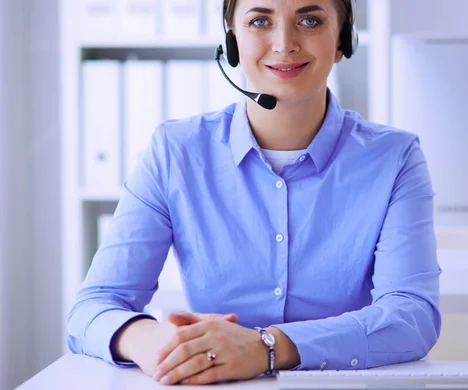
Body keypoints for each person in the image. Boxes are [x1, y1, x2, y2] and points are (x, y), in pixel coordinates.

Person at [67, 0, 442, 386]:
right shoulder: (176, 151)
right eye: (260, 21)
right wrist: (158, 342)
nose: (284, 43)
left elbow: (411, 316)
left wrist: (268, 347)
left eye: (310, 20)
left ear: (343, 40)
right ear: (232, 41)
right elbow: (92, 308)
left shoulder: (394, 158)